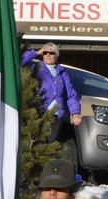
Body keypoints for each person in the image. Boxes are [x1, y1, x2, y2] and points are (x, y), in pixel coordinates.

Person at [30, 42, 82, 170]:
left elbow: (70, 95)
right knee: (36, 144)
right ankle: (34, 173)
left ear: (57, 56)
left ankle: (46, 174)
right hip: (38, 114)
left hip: (56, 116)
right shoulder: (35, 68)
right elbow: (19, 61)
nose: (48, 55)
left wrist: (75, 113)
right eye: (45, 52)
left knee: (50, 146)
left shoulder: (62, 73)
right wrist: (36, 52)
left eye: (51, 53)